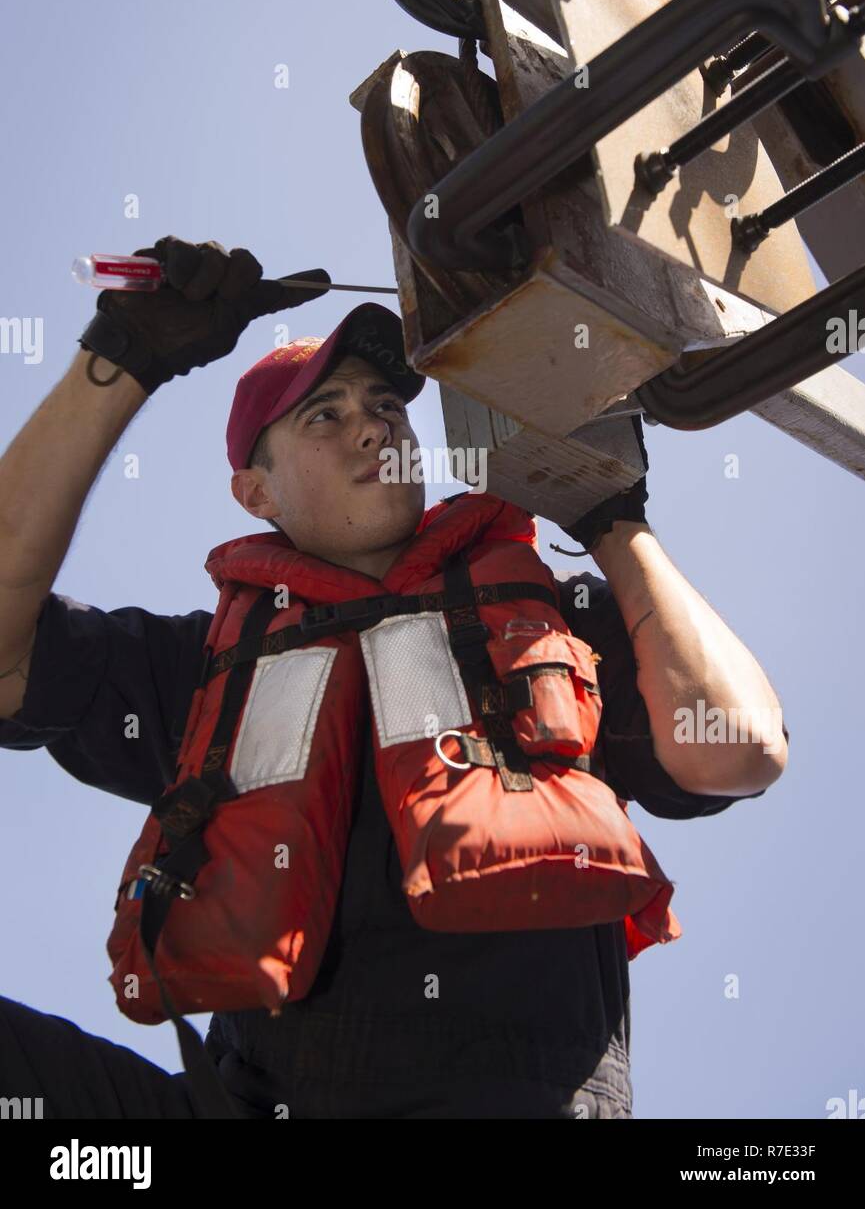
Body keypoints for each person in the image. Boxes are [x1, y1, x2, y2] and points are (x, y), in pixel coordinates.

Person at [0, 236, 788, 1120]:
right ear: (254, 495)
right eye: (323, 416)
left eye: (385, 404)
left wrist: (612, 516)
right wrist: (123, 362)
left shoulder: (556, 619)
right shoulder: (201, 671)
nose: (373, 424)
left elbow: (737, 751)